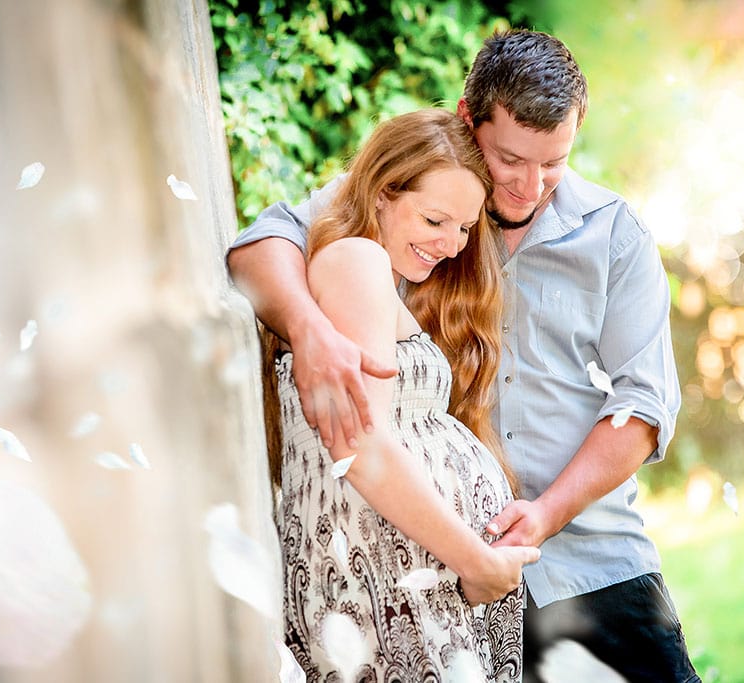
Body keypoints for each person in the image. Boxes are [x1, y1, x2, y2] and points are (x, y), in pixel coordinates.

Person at [229, 30, 699, 683]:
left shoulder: (616, 236)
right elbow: (260, 245)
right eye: (509, 158)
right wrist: (309, 331)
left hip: (594, 563)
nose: (530, 185)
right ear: (465, 117)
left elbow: (643, 406)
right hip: (444, 575)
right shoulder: (414, 197)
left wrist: (544, 513)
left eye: (554, 162)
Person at [268, 108, 539, 682]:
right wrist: (477, 560)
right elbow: (363, 448)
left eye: (464, 228)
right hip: (381, 577)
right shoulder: (354, 260)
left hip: (403, 573)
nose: (451, 244)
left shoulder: (369, 269)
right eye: (435, 219)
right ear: (384, 192)